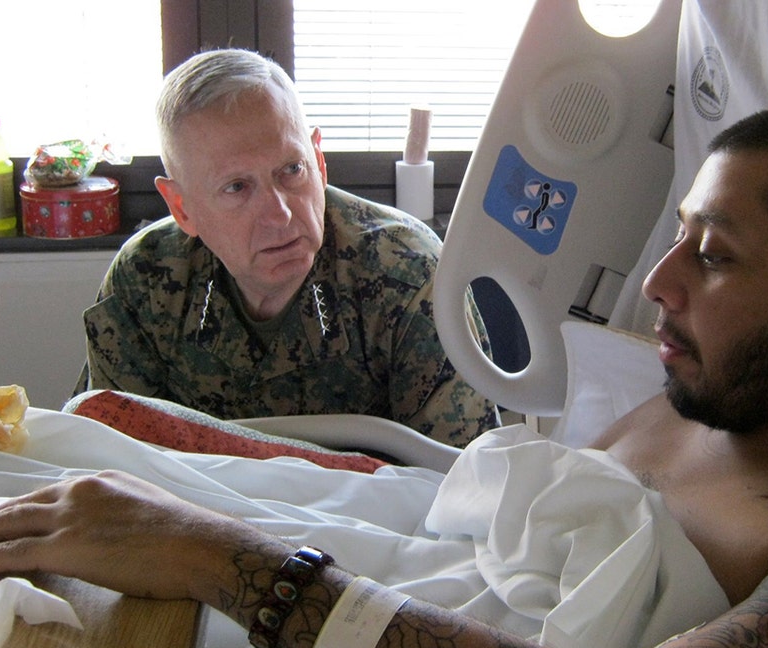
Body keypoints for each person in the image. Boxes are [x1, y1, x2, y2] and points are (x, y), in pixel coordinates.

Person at [0, 101, 768, 648]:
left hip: (294, 612)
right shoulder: (716, 395)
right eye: (680, 234)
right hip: (389, 552)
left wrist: (213, 554)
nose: (661, 281)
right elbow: (469, 514)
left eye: (717, 255)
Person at [73, 48, 499, 449]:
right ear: (183, 208)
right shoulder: (145, 279)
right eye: (237, 187)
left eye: (292, 170)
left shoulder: (407, 273)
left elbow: (464, 485)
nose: (279, 214)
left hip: (369, 524)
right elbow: (111, 465)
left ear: (319, 159)